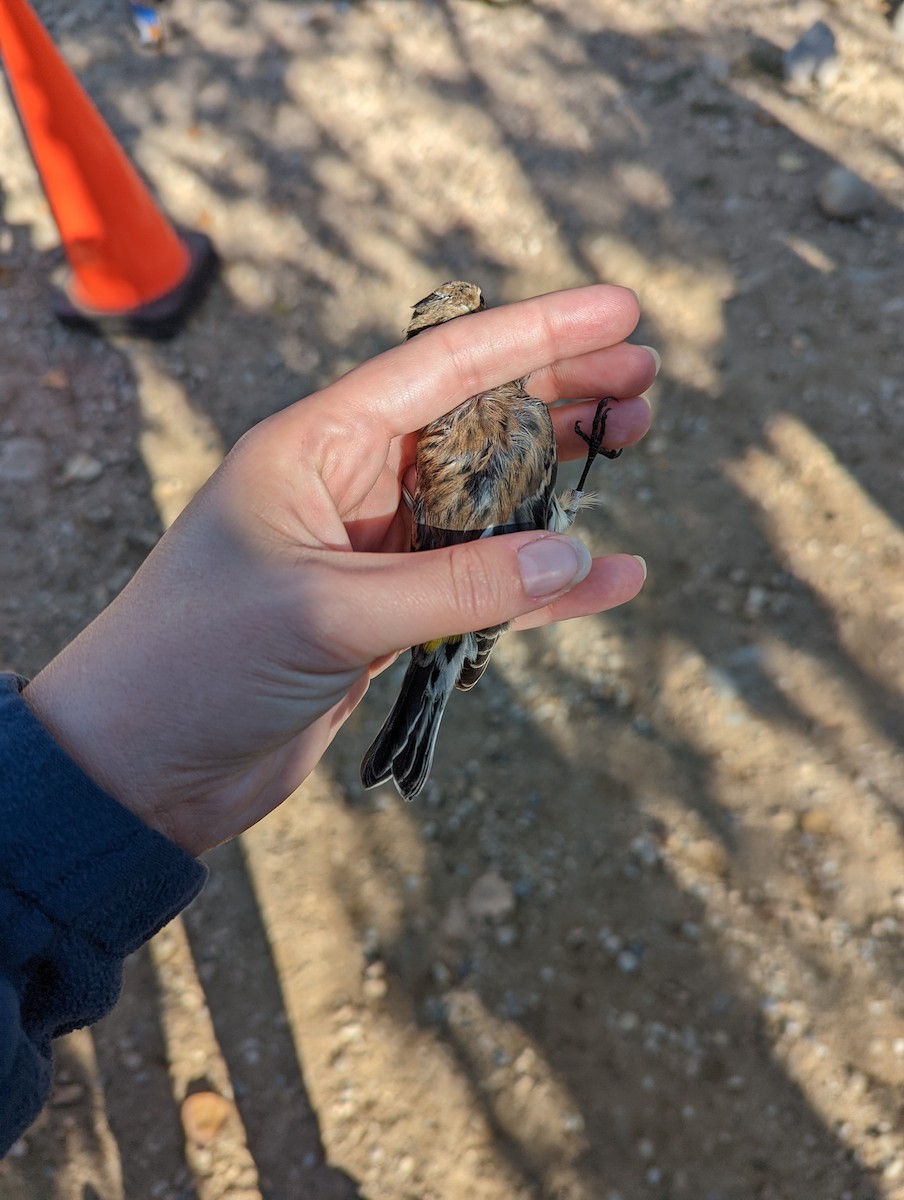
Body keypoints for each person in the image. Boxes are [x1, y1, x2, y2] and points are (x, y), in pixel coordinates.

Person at [0, 283, 658, 1154]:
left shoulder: (453, 440)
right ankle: (423, 708)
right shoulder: (515, 432)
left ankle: (421, 707)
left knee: (438, 665)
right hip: (467, 583)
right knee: (451, 654)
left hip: (452, 590)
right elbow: (495, 535)